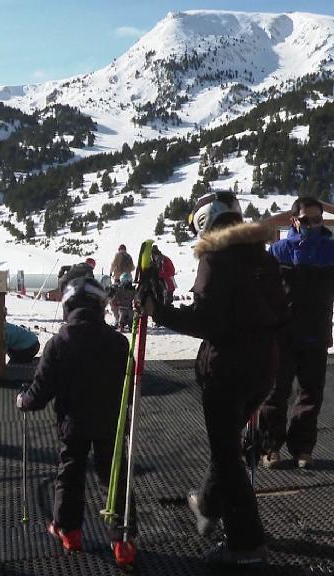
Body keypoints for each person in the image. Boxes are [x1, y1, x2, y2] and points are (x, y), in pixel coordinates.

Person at [138, 191, 284, 567]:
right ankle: (206, 503)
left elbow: (207, 320)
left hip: (227, 371)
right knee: (228, 446)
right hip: (263, 367)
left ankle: (246, 545)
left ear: (204, 221)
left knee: (227, 456)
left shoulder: (215, 259)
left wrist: (161, 312)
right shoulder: (264, 257)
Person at [16, 277, 131, 551]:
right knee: (114, 477)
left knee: (70, 473)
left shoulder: (59, 343)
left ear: (69, 307)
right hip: (111, 424)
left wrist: (24, 400)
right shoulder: (119, 343)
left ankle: (69, 531)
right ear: (100, 306)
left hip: (73, 424)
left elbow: (40, 392)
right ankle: (122, 541)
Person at [259, 196, 334, 469]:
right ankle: (270, 447)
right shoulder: (278, 251)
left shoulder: (331, 251)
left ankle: (302, 449)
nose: (312, 225)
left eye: (317, 220)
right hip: (281, 335)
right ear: (294, 220)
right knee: (276, 392)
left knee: (311, 394)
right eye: (306, 220)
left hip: (315, 333)